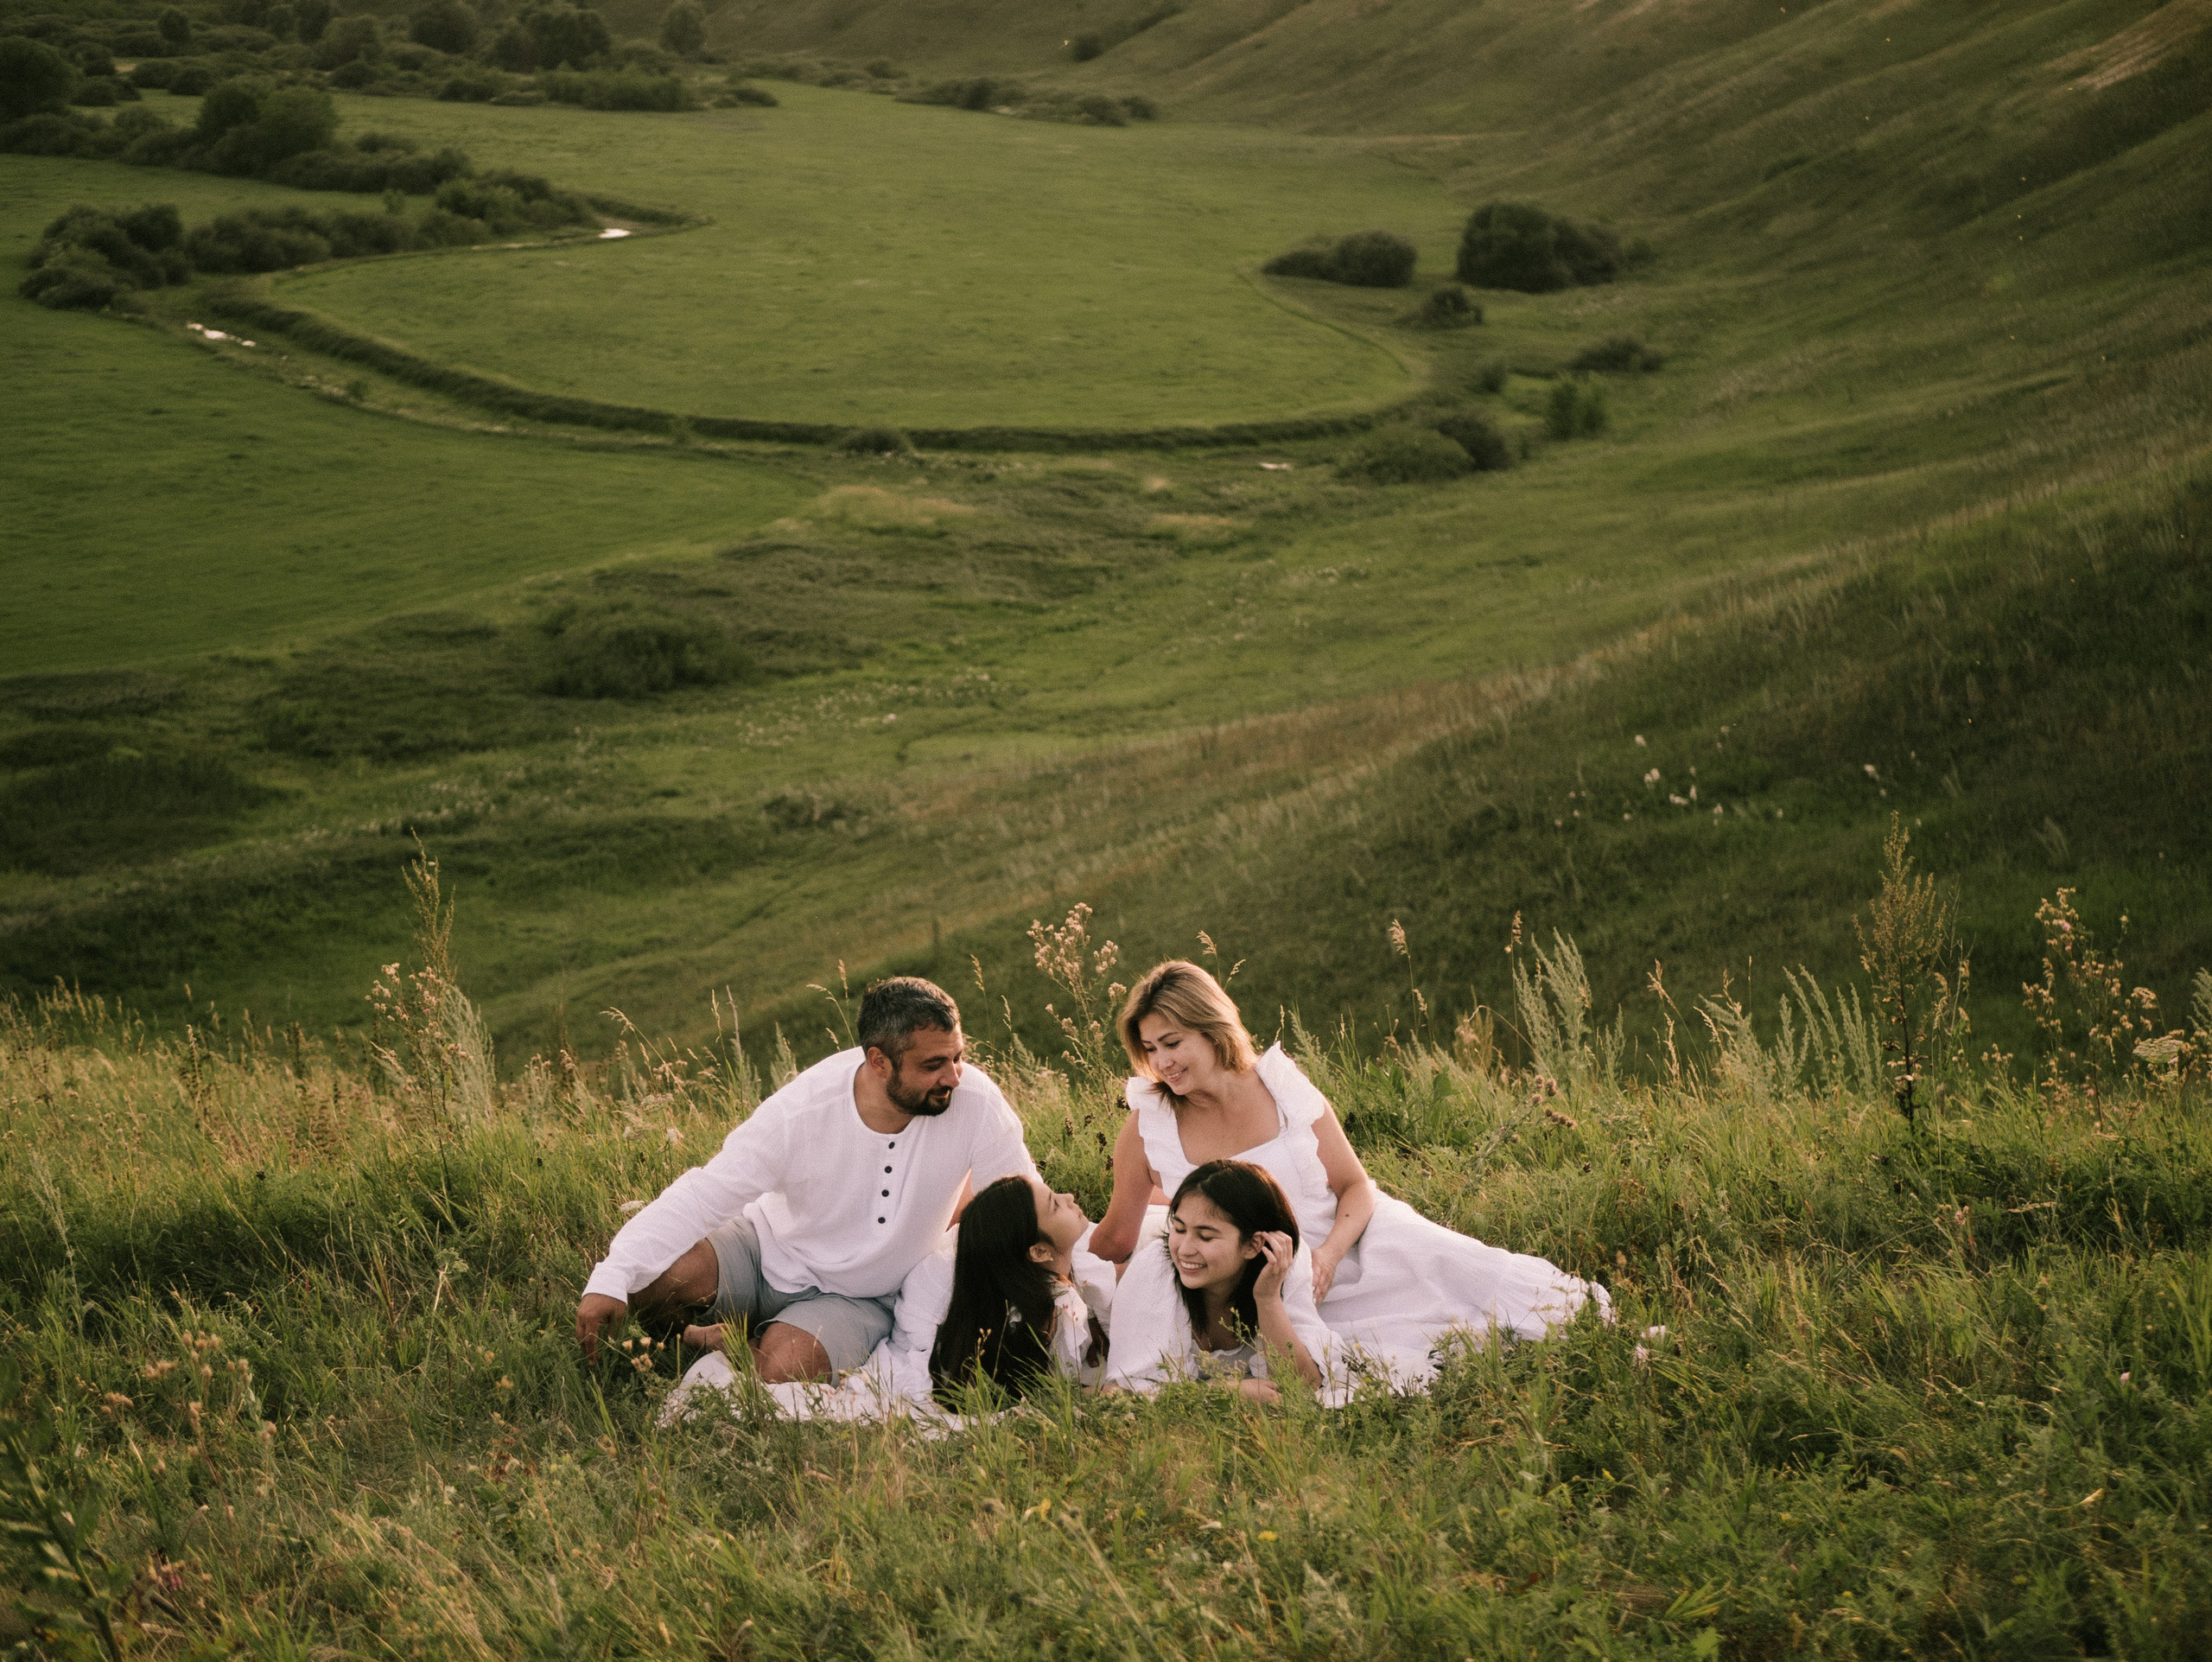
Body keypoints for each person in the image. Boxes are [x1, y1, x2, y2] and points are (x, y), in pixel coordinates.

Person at [1092, 960, 1608, 1386]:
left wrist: (1331, 1254)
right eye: (1150, 1049)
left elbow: (1355, 1185)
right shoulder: (1149, 1126)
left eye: (1173, 1042)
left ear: (1212, 1029)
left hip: (1351, 1234)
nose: (1162, 1063)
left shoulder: (1279, 1086)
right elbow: (1117, 1236)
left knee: (1467, 1272)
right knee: (1373, 1359)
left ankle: (1587, 1336)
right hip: (1268, 1276)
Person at [575, 976, 1035, 1384]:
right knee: (658, 1277)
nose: (954, 1076)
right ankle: (690, 1339)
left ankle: (733, 1343)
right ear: (879, 1062)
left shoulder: (976, 1101)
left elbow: (1021, 1203)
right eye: (933, 1065)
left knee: (782, 1370)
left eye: (959, 1057)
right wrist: (612, 1275)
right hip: (765, 1253)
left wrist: (1085, 1269)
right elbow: (706, 1193)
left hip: (861, 1297)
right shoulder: (803, 1109)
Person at [1103, 1160, 1330, 1402]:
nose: (1185, 1250)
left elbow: (1305, 1384)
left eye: (1206, 1237)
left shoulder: (1281, 1263)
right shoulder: (1156, 1269)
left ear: (1253, 1245)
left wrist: (1268, 1299)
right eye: (1179, 1230)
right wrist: (1224, 1391)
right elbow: (1126, 1392)